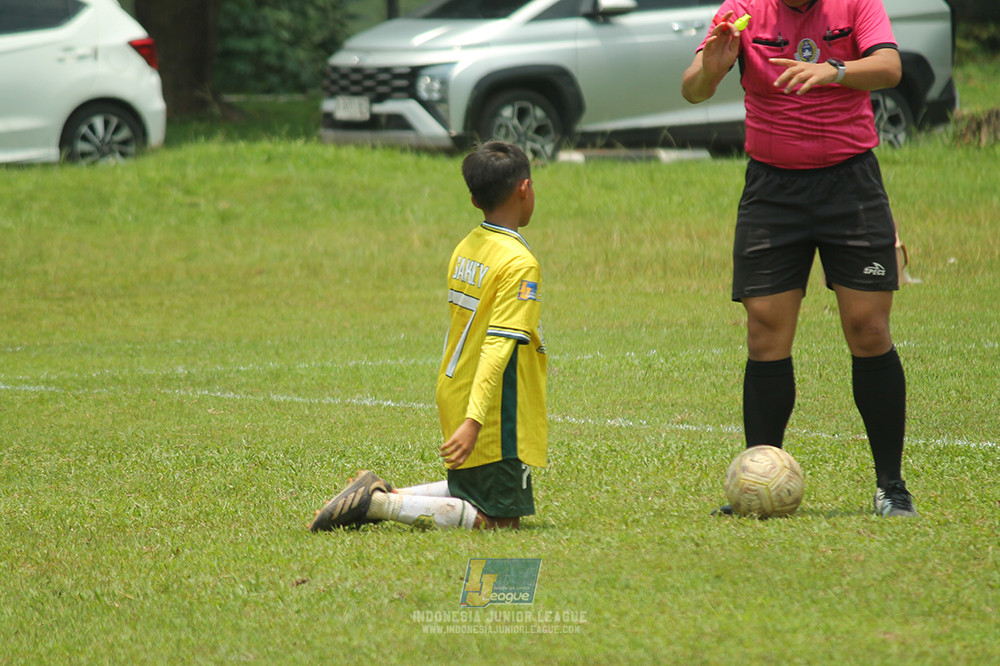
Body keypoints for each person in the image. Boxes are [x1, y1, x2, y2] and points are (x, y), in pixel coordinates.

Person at [681, 0, 917, 517]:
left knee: (869, 328)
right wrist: (714, 66)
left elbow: (890, 67)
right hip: (772, 189)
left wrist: (834, 70)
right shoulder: (742, 11)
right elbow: (692, 89)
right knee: (765, 331)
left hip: (851, 184)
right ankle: (758, 480)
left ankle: (891, 487)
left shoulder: (855, 4)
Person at [309, 141, 547, 531]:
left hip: (455, 387)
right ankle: (376, 504)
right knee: (500, 521)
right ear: (524, 188)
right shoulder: (520, 262)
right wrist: (474, 421)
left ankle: (379, 493)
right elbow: (497, 346)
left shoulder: (468, 246)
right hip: (489, 406)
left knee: (469, 489)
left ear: (474, 200)